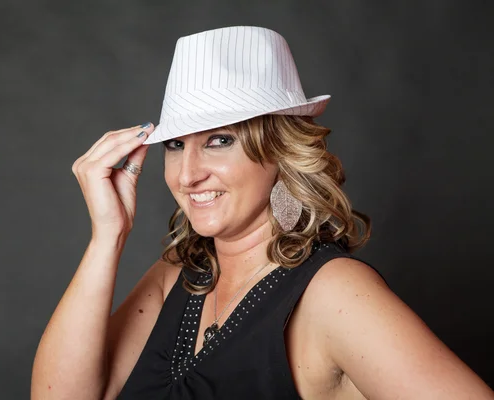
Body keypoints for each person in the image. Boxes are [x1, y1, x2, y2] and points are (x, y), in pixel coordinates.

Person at [31, 26, 494, 399]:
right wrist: (107, 237)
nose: (188, 175)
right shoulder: (179, 275)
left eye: (219, 140)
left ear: (280, 150)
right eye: (175, 145)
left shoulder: (334, 294)